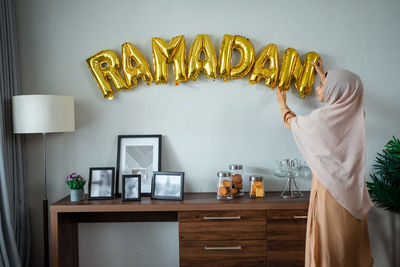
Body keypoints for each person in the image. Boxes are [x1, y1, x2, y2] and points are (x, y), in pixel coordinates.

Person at [276, 59, 374, 267]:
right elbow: (347, 95)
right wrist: (323, 75)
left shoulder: (322, 119)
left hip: (330, 194)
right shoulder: (356, 115)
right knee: (348, 248)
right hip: (352, 194)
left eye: (322, 86)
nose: (318, 89)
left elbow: (293, 124)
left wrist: (283, 104)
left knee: (330, 246)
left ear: (335, 91)